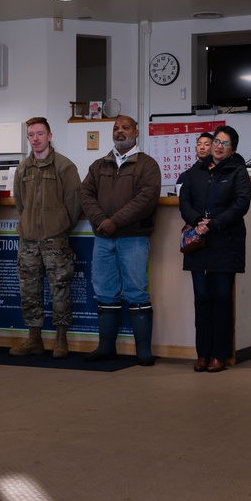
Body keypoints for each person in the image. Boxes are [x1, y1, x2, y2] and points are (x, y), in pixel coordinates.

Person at [81, 115, 162, 366]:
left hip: (133, 239)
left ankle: (143, 351)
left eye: (125, 128)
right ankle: (106, 348)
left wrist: (114, 220)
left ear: (136, 133)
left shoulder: (147, 165)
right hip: (103, 238)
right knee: (105, 293)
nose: (119, 132)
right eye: (116, 128)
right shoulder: (99, 165)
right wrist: (99, 220)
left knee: (136, 292)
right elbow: (85, 193)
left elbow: (146, 199)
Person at [179, 125, 251, 372]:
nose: (219, 147)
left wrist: (214, 224)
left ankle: (220, 354)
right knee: (201, 298)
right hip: (198, 244)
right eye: (216, 142)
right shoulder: (195, 170)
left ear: (233, 149)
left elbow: (241, 204)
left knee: (221, 298)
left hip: (225, 243)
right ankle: (203, 354)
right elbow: (184, 200)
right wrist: (198, 222)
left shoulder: (238, 171)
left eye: (225, 143)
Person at [10, 118, 80, 359]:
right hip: (28, 241)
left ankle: (61, 340)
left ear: (50, 136)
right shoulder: (22, 168)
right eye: (31, 134)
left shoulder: (64, 166)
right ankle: (34, 339)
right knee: (28, 291)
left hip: (55, 240)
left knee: (59, 289)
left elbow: (74, 203)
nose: (36, 138)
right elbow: (19, 202)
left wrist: (58, 224)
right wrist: (29, 221)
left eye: (40, 133)